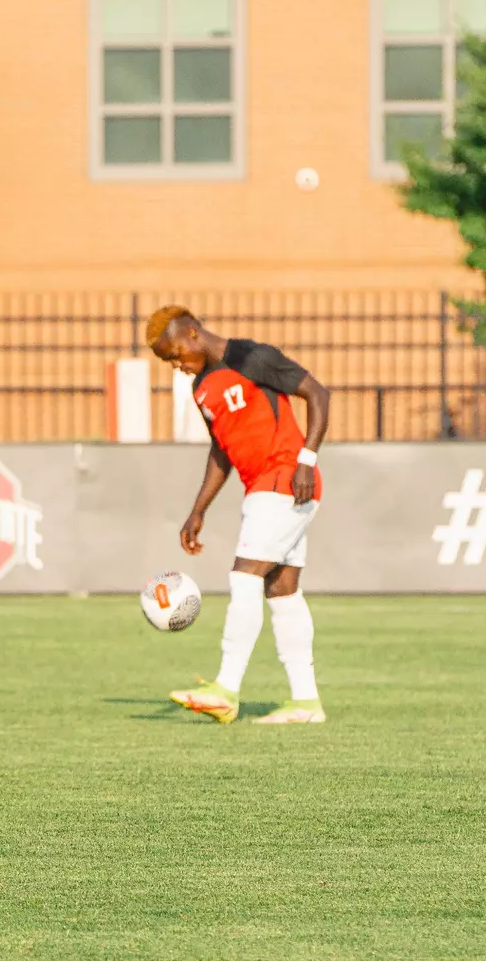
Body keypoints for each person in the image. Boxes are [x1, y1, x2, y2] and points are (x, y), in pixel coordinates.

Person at [145, 305, 330, 726]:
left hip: (286, 478)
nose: (176, 366)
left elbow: (318, 394)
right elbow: (221, 451)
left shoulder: (250, 357)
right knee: (282, 591)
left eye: (175, 354)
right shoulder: (201, 389)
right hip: (261, 488)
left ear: (193, 332)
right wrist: (198, 510)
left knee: (244, 575)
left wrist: (306, 458)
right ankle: (306, 701)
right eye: (168, 362)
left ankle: (226, 689)